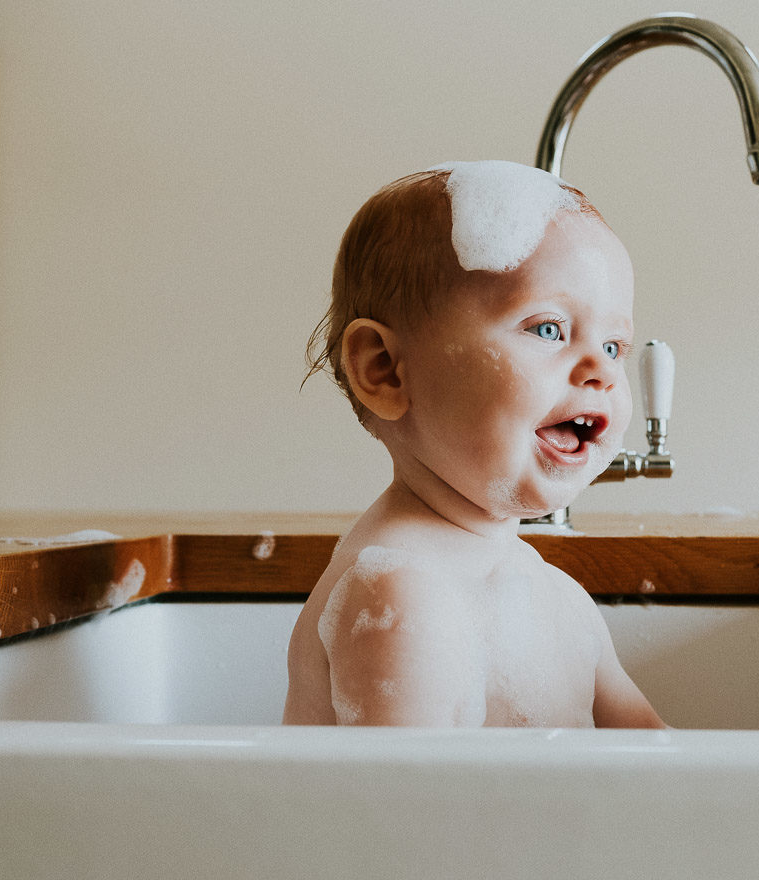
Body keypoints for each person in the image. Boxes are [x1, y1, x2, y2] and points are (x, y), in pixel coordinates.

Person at [283, 161, 666, 728]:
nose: (600, 372)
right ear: (385, 370)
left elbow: (666, 766)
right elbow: (408, 815)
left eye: (614, 346)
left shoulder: (555, 596)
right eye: (549, 329)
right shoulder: (400, 595)